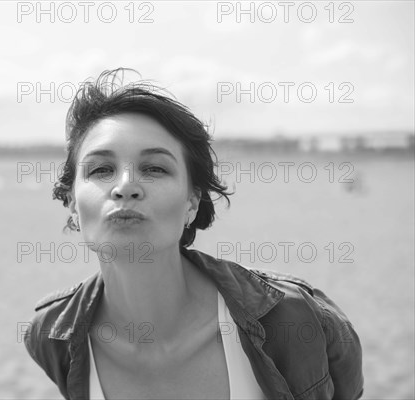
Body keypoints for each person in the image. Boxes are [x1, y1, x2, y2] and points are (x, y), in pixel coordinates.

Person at [23, 69, 364, 399]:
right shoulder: (53, 336)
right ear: (71, 203)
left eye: (154, 168)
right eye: (101, 169)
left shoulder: (295, 321)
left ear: (191, 202)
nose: (125, 186)